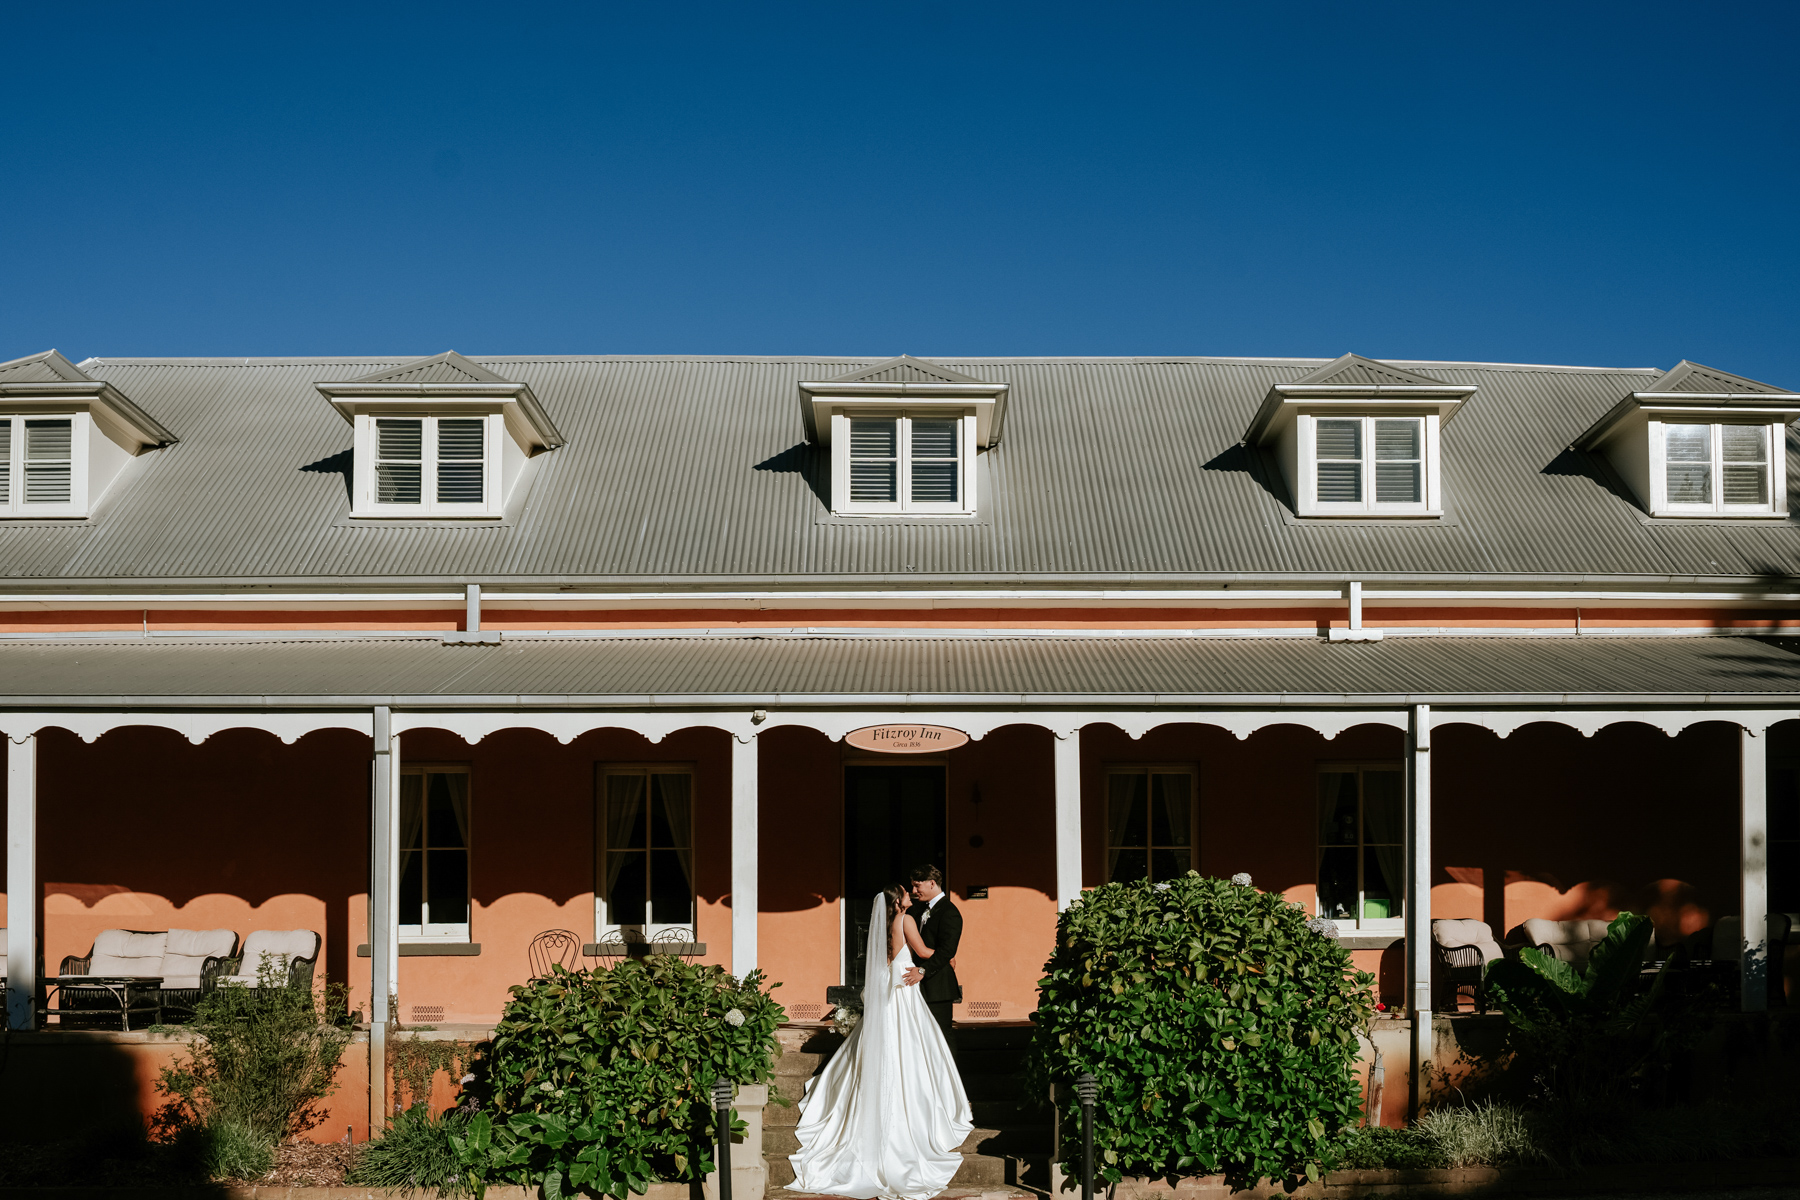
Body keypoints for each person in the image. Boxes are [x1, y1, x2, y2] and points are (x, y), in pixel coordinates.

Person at [786, 883, 973, 1199]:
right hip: (903, 989)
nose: (909, 895)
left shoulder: (883, 924)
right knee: (910, 1044)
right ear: (898, 901)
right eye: (905, 893)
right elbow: (923, 952)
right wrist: (947, 960)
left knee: (887, 1040)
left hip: (889, 983)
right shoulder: (905, 920)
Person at [900, 863, 961, 1054]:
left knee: (941, 1036)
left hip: (938, 985)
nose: (913, 891)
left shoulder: (949, 912)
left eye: (917, 886)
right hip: (916, 984)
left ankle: (950, 1073)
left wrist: (922, 970)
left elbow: (947, 951)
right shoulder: (917, 909)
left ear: (932, 883)